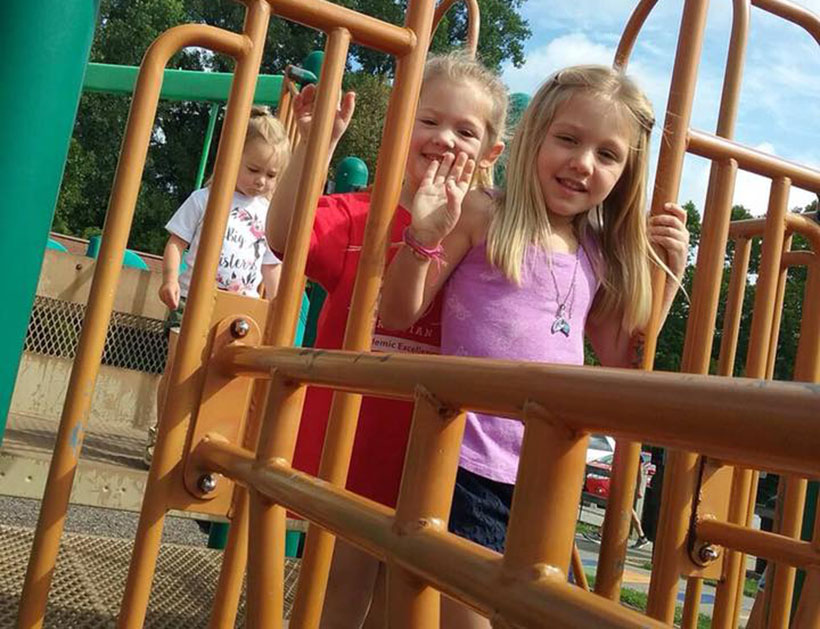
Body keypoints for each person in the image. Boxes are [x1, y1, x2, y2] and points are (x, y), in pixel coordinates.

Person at [379, 65, 689, 628]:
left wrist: (666, 279)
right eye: (568, 139)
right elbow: (398, 312)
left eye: (607, 155)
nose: (583, 163)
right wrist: (422, 239)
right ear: (534, 138)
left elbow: (624, 358)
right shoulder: (484, 213)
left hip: (550, 472)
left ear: (626, 173)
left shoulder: (597, 252)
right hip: (467, 466)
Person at [266, 52, 507, 628]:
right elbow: (284, 237)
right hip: (355, 443)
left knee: (412, 599)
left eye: (465, 130)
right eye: (428, 120)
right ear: (400, 124)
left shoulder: (483, 237)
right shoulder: (361, 215)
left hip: (445, 457)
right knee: (341, 583)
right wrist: (315, 144)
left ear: (490, 154)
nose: (444, 138)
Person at [144, 106, 290, 465]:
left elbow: (271, 266)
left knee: (227, 377)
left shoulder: (268, 212)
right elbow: (176, 242)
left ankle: (210, 441)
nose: (261, 181)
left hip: (239, 310)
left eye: (272, 175)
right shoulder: (205, 199)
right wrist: (169, 280)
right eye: (253, 170)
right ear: (231, 158)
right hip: (194, 300)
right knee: (180, 370)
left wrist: (277, 306)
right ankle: (164, 433)